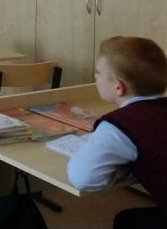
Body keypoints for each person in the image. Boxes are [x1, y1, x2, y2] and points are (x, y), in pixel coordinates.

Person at [67, 36, 167, 229]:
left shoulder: (120, 127)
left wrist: (122, 169)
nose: (95, 77)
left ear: (118, 87)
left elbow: (83, 179)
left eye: (98, 73)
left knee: (126, 222)